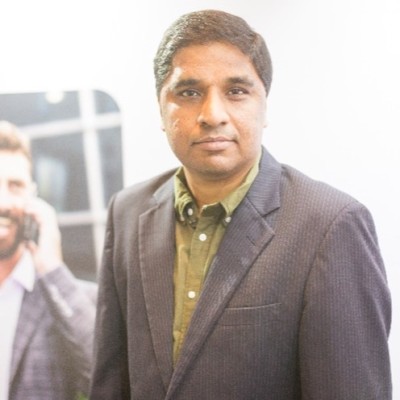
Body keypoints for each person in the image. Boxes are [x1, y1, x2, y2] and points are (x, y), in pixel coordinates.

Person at [90, 9, 391, 400]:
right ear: (161, 108)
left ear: (264, 105)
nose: (212, 115)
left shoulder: (330, 225)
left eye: (236, 91)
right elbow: (111, 380)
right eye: (189, 92)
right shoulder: (128, 212)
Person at [0, 120, 96, 400]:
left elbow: (109, 380)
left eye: (15, 186)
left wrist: (52, 267)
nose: (2, 202)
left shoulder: (68, 299)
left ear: (33, 198)